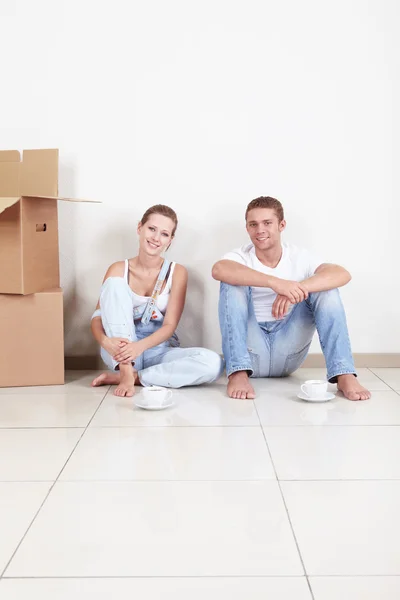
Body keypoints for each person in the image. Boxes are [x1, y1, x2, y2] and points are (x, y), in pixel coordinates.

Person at [212, 196, 371, 402]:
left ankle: (344, 374)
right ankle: (238, 373)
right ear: (247, 228)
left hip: (289, 350)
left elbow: (342, 274)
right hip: (251, 352)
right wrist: (275, 283)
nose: (260, 230)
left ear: (282, 225)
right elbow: (219, 269)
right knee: (230, 282)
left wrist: (297, 289)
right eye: (253, 224)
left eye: (267, 223)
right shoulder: (241, 256)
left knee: (326, 289)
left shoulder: (300, 256)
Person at [91, 204, 223, 397]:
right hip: (118, 351)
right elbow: (97, 318)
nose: (155, 238)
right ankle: (126, 372)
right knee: (114, 284)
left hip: (157, 351)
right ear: (140, 228)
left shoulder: (177, 272)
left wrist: (139, 348)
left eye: (164, 234)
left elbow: (169, 326)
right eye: (152, 229)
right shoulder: (118, 269)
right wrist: (105, 342)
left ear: (170, 240)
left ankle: (135, 378)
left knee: (213, 362)